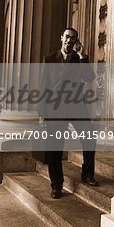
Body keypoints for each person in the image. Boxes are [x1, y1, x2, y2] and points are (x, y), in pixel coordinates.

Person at [41, 27, 98, 199]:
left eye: (73, 38)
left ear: (76, 41)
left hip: (77, 106)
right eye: (67, 37)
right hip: (56, 109)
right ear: (61, 37)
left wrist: (82, 56)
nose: (69, 40)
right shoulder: (49, 59)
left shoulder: (78, 59)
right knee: (54, 149)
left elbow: (89, 78)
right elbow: (44, 87)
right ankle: (56, 185)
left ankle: (87, 174)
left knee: (89, 137)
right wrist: (42, 113)